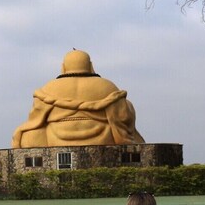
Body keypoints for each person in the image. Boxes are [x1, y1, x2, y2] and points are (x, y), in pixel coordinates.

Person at [13, 50, 145, 147]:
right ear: (91, 66)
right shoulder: (107, 86)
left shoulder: (49, 89)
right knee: (126, 105)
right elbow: (124, 118)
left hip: (55, 139)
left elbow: (35, 121)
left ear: (63, 67)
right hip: (103, 138)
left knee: (30, 135)